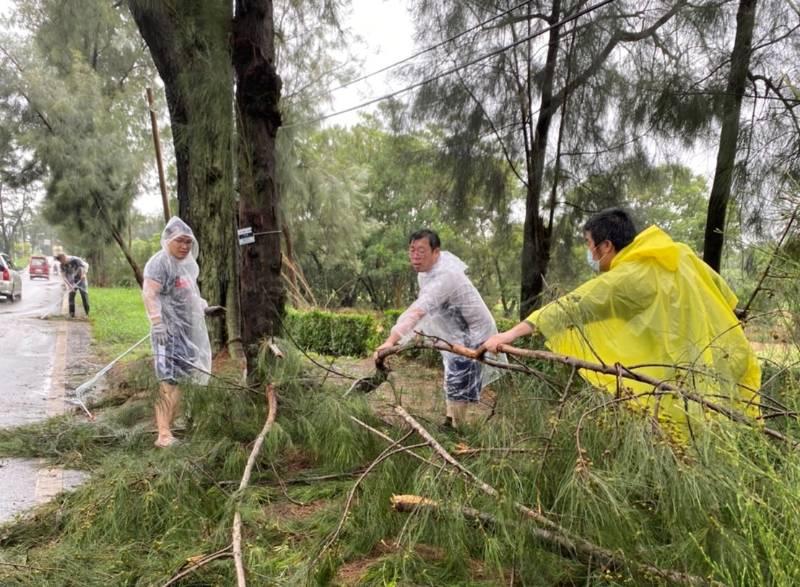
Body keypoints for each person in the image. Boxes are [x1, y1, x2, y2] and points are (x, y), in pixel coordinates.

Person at [482, 208, 761, 434]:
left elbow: (568, 307)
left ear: (606, 245)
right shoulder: (680, 254)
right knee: (731, 434)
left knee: (691, 438)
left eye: (589, 244)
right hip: (730, 358)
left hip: (686, 381)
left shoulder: (626, 277)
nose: (589, 252)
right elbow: (727, 297)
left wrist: (507, 335)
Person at [374, 229, 503, 429]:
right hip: (455, 333)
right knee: (452, 374)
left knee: (460, 379)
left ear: (436, 252)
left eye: (422, 251)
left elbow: (419, 310)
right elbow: (432, 312)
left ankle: (459, 431)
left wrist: (392, 340)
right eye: (412, 250)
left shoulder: (446, 276)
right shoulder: (426, 274)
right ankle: (450, 421)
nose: (415, 255)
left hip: (473, 334)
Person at [141, 217, 224, 448]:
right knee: (169, 382)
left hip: (186, 331)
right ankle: (163, 435)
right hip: (167, 334)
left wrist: (204, 308)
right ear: (168, 240)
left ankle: (169, 426)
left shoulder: (184, 265)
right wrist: (157, 323)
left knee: (182, 381)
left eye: (188, 242)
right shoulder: (159, 263)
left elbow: (188, 296)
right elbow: (149, 294)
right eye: (180, 241)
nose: (185, 246)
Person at [56, 253, 90, 318]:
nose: (62, 262)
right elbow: (64, 276)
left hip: (81, 279)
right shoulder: (62, 265)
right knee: (71, 297)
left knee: (84, 295)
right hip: (72, 282)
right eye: (61, 262)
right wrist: (69, 285)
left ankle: (87, 314)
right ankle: (72, 314)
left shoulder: (75, 260)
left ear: (65, 257)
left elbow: (83, 267)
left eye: (63, 260)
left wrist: (83, 274)